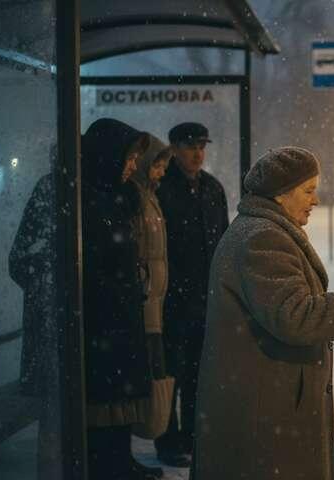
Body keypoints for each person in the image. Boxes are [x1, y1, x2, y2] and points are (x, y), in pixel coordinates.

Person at [192, 146, 334, 479]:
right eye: (308, 190)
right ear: (281, 194)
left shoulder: (261, 230)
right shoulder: (263, 239)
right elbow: (294, 316)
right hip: (266, 407)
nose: (315, 200)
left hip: (267, 396)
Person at [81, 118, 152, 480]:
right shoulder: (80, 198)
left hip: (120, 318)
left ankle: (119, 463)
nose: (133, 165)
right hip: (97, 324)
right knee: (102, 404)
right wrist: (106, 286)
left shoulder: (116, 195)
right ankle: (108, 467)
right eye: (128, 158)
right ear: (107, 156)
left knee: (119, 401)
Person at [155, 122, 228, 467]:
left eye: (201, 145)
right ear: (173, 148)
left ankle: (192, 437)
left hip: (204, 297)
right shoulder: (160, 187)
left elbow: (223, 242)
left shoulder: (212, 188)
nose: (198, 152)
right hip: (170, 298)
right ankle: (168, 441)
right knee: (172, 372)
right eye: (189, 146)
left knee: (198, 373)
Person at [8, 145, 61, 480]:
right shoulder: (50, 191)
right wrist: (49, 285)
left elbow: (20, 259)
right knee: (54, 408)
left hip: (53, 318)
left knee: (55, 408)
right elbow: (20, 259)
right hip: (52, 322)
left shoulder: (52, 190)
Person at [128, 135, 174, 479]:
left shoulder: (149, 197)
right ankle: (130, 447)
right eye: (157, 165)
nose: (160, 172)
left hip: (153, 306)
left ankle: (134, 447)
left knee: (152, 378)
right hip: (142, 307)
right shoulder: (135, 198)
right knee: (141, 380)